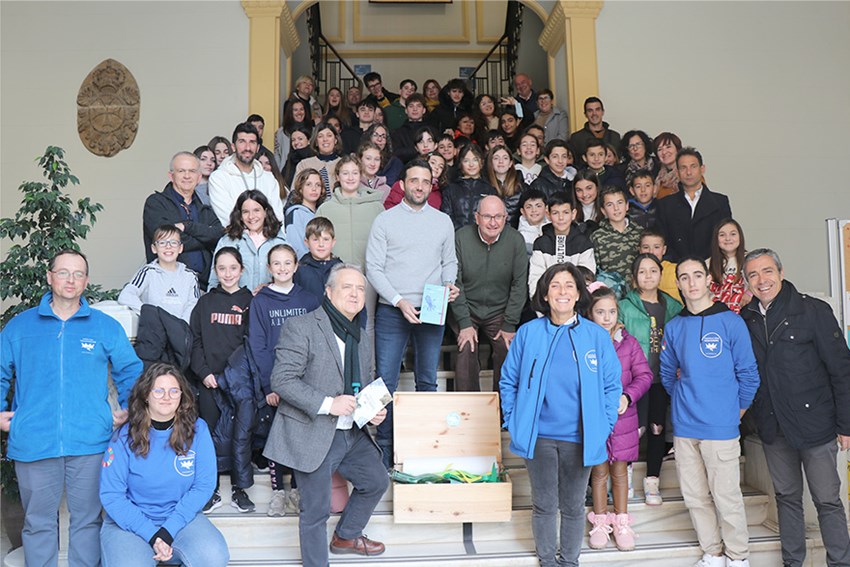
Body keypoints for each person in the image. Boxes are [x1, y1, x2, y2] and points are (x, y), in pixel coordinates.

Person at [0, 249, 143, 567]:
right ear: (49, 277)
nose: (71, 279)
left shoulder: (105, 327)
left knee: (88, 523)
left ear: (86, 281)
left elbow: (131, 370)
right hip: (34, 441)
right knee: (37, 524)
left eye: (78, 274)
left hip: (90, 442)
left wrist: (128, 408)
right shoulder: (19, 327)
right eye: (63, 272)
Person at [263, 264, 389, 566]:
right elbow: (282, 380)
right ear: (329, 292)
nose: (355, 294)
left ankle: (346, 535)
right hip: (313, 430)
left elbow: (362, 385)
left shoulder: (361, 335)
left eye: (361, 289)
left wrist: (372, 411)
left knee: (376, 480)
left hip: (351, 431)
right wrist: (328, 404)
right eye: (347, 287)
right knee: (316, 510)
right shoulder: (302, 326)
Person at [500, 263, 622, 567]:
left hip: (580, 437)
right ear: (545, 294)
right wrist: (514, 420)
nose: (562, 291)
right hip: (539, 436)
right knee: (544, 504)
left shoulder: (596, 336)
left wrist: (604, 424)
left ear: (579, 293)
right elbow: (508, 380)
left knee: (573, 506)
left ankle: (569, 562)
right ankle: (547, 560)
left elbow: (611, 385)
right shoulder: (528, 333)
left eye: (569, 285)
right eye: (555, 285)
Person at [741, 248, 850, 567]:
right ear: (747, 281)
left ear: (781, 272)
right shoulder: (746, 318)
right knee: (787, 498)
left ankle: (840, 562)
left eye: (767, 271)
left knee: (827, 500)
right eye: (753, 275)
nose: (761, 280)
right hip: (773, 426)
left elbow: (841, 369)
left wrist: (846, 424)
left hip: (816, 424)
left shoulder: (812, 310)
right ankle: (793, 562)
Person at [661, 257, 759, 567]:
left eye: (697, 275)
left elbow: (749, 374)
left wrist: (734, 412)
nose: (691, 282)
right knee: (695, 497)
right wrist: (685, 402)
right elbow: (667, 373)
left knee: (726, 498)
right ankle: (713, 553)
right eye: (684, 277)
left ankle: (738, 557)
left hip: (721, 426)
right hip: (685, 428)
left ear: (707, 280)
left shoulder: (730, 322)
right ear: (678, 284)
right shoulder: (675, 326)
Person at [366, 158, 459, 468]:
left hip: (432, 307)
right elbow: (373, 268)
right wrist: (398, 301)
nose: (420, 186)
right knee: (385, 383)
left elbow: (449, 261)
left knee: (427, 381)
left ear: (432, 185)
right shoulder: (384, 221)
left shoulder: (443, 221)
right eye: (414, 180)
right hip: (392, 309)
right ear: (402, 184)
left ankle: (422, 446)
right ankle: (384, 449)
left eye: (425, 181)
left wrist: (449, 283)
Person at [99, 363, 228, 567]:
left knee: (213, 556)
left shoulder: (198, 430)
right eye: (158, 391)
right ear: (146, 395)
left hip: (180, 519)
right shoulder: (123, 437)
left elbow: (204, 485)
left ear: (181, 395)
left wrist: (168, 531)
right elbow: (112, 495)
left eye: (173, 391)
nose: (167, 397)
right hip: (131, 523)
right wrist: (152, 535)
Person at [248, 244, 321, 518]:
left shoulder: (309, 301)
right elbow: (258, 346)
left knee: (301, 436)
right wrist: (270, 385)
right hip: (276, 382)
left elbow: (319, 343)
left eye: (287, 263)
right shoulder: (261, 302)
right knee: (276, 437)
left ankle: (298, 490)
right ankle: (278, 491)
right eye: (276, 263)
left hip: (305, 383)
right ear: (269, 268)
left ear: (296, 266)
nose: (282, 268)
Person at [585, 285, 651, 552]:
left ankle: (622, 522)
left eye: (611, 311)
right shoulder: (584, 342)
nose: (607, 317)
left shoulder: (629, 343)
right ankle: (600, 522)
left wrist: (627, 396)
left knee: (620, 472)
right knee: (599, 472)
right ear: (590, 314)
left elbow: (644, 375)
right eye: (600, 312)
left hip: (624, 419)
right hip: (595, 418)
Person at [188, 247, 253, 513]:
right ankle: (211, 490)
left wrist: (235, 376)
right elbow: (195, 341)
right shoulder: (205, 303)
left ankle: (240, 489)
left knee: (241, 436)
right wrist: (204, 373)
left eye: (233, 268)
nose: (228, 273)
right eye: (222, 268)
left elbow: (253, 344)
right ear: (215, 271)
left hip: (238, 382)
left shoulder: (250, 301)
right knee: (208, 436)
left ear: (242, 270)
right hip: (210, 381)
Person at [618, 253, 682, 506]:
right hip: (633, 380)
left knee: (657, 429)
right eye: (642, 271)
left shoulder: (674, 307)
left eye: (653, 270)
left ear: (660, 274)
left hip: (661, 379)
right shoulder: (624, 306)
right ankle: (625, 477)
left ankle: (652, 480)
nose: (648, 276)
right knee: (632, 430)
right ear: (634, 278)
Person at [451, 196, 527, 392]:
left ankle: (503, 407)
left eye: (498, 217)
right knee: (467, 346)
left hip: (499, 311)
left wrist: (509, 323)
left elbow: (520, 285)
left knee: (506, 347)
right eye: (487, 216)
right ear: (476, 217)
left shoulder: (515, 240)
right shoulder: (461, 238)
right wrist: (464, 323)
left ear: (505, 217)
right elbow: (455, 283)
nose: (493, 223)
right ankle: (469, 406)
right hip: (467, 308)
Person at [142, 151, 223, 290]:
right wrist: (204, 240)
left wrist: (187, 227)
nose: (187, 176)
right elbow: (166, 240)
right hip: (167, 286)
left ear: (199, 177)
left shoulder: (204, 208)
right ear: (171, 175)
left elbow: (219, 235)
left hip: (204, 287)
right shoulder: (156, 203)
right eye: (181, 171)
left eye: (192, 171)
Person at [656, 147, 732, 262]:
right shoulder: (665, 205)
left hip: (712, 266)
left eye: (693, 166)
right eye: (683, 168)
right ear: (677, 172)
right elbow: (662, 242)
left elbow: (726, 238)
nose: (689, 172)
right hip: (676, 267)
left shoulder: (720, 202)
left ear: (702, 169)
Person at [119, 224, 200, 324]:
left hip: (180, 330)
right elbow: (126, 296)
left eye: (173, 242)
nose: (168, 246)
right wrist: (151, 316)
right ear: (154, 248)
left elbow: (193, 304)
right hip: (154, 329)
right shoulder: (147, 272)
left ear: (180, 248)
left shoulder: (190, 276)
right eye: (162, 242)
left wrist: (179, 326)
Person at [209, 189, 286, 292]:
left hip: (270, 300)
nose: (251, 216)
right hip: (235, 301)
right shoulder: (227, 242)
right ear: (240, 215)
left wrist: (270, 287)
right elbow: (214, 281)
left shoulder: (280, 242)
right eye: (245, 212)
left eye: (256, 210)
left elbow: (289, 279)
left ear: (265, 212)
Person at [208, 122, 284, 227]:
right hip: (236, 236)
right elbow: (228, 219)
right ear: (233, 147)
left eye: (252, 142)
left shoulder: (268, 178)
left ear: (258, 148)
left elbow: (278, 216)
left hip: (269, 236)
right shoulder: (219, 178)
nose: (247, 147)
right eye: (242, 142)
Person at [528, 192, 596, 296]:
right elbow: (535, 278)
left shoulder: (584, 243)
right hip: (547, 301)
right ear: (548, 214)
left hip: (576, 301)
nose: (561, 218)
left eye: (566, 212)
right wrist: (542, 302)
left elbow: (587, 280)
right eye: (555, 213)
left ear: (573, 214)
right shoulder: (541, 243)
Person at [590, 185, 643, 292]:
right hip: (611, 293)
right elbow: (595, 271)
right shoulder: (597, 237)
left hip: (639, 292)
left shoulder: (640, 232)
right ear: (603, 210)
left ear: (627, 205)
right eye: (610, 205)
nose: (616, 208)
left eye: (620, 203)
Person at [440, 143, 498, 230]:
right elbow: (446, 217)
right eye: (466, 161)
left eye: (475, 160)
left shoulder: (490, 190)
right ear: (461, 163)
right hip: (456, 235)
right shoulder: (450, 189)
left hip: (482, 236)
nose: (471, 164)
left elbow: (494, 217)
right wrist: (461, 234)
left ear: (482, 162)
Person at [293, 217, 343, 301]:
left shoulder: (341, 269)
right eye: (315, 240)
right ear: (307, 242)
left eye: (326, 239)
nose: (321, 244)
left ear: (333, 242)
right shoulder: (300, 269)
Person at [707, 218, 751, 313]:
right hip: (715, 314)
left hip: (744, 313)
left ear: (740, 236)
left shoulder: (750, 259)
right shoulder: (707, 263)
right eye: (722, 235)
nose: (728, 238)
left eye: (733, 234)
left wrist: (749, 293)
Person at [294, 121, 343, 200]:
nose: (325, 139)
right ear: (316, 142)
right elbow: (295, 192)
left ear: (335, 140)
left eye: (329, 136)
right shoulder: (304, 164)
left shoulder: (344, 164)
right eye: (320, 136)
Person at [284, 168, 326, 259]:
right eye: (308, 184)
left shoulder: (323, 212)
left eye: (318, 185)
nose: (314, 189)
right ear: (300, 189)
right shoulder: (295, 213)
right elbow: (295, 246)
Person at [486, 145, 525, 225]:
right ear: (491, 163)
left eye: (505, 158)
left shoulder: (521, 186)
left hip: (515, 230)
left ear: (510, 163)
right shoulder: (484, 186)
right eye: (496, 158)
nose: (501, 161)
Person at [639, 228, 679, 300]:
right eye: (646, 247)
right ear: (640, 250)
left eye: (656, 247)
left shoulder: (675, 270)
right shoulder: (637, 274)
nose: (651, 252)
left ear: (664, 250)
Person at [275, 99, 309, 171]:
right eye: (295, 110)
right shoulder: (281, 132)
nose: (299, 112)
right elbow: (278, 155)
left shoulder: (312, 130)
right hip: (287, 171)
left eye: (301, 109)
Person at [517, 188, 550, 255]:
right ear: (522, 211)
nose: (534, 210)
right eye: (529, 207)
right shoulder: (519, 237)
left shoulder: (556, 227)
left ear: (546, 208)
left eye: (538, 206)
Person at [653, 131, 683, 199]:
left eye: (668, 147)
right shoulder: (657, 178)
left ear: (677, 149)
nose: (664, 152)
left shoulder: (687, 173)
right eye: (659, 149)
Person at [573, 169, 603, 235]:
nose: (584, 194)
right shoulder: (569, 211)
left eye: (589, 188)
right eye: (579, 190)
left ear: (597, 188)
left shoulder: (607, 208)